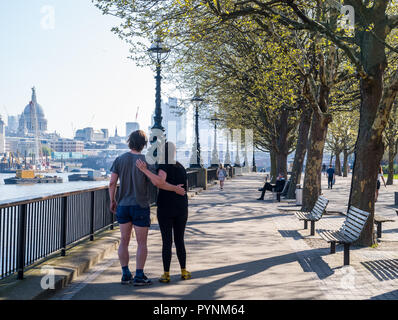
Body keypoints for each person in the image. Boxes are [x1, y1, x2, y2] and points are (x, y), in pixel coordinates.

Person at [109, 131, 185, 286]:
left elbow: (112, 183)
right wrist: (175, 189)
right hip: (140, 206)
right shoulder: (146, 161)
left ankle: (125, 273)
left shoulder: (119, 159)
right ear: (144, 144)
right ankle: (139, 275)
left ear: (129, 142)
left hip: (123, 205)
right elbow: (158, 182)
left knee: (123, 241)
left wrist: (112, 200)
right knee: (141, 243)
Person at [136, 141, 191, 284]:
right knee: (180, 241)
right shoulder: (181, 167)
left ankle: (166, 274)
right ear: (174, 152)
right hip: (181, 207)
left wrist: (145, 171)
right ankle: (184, 271)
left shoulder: (163, 165)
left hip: (166, 208)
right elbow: (186, 188)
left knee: (167, 241)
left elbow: (159, 181)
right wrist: (176, 189)